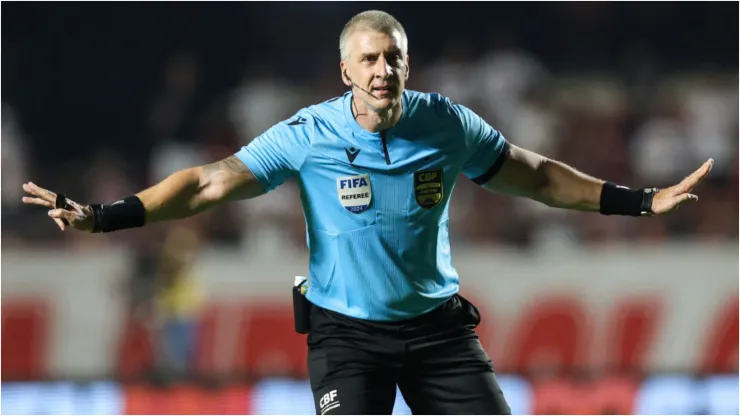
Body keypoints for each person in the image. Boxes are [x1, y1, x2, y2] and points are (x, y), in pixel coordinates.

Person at [22, 10, 713, 415]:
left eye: (394, 58)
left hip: (438, 332)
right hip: (347, 336)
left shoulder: (446, 124)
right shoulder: (309, 135)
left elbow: (534, 176)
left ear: (408, 65)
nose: (383, 70)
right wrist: (105, 217)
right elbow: (208, 183)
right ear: (346, 71)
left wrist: (638, 200)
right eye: (370, 60)